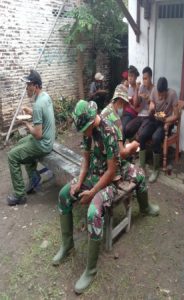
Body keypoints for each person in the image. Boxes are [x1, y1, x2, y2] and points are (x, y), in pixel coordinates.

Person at [52, 100, 120, 294]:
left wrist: (92, 193)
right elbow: (86, 160)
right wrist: (80, 182)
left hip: (109, 182)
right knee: (65, 194)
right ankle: (68, 245)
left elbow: (111, 171)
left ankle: (91, 269)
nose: (84, 132)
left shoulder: (110, 133)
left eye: (85, 128)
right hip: (93, 176)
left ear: (93, 120)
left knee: (93, 213)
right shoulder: (87, 132)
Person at [101, 84, 159, 215]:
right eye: (125, 104)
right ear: (120, 101)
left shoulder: (104, 112)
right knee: (140, 174)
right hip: (109, 166)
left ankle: (133, 191)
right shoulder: (116, 120)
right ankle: (145, 208)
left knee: (129, 158)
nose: (125, 107)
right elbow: (121, 153)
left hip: (101, 160)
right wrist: (132, 147)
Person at [7, 70, 55, 206]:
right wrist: (31, 111)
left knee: (11, 156)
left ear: (35, 86)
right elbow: (41, 114)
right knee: (20, 144)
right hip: (48, 139)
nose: (26, 88)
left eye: (28, 85)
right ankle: (34, 178)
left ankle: (20, 195)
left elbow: (37, 134)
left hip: (43, 143)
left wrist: (26, 123)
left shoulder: (39, 104)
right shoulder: (45, 96)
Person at [138, 77, 180, 183]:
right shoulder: (154, 91)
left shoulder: (172, 94)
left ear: (166, 90)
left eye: (162, 94)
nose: (160, 96)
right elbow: (151, 105)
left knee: (156, 137)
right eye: (159, 94)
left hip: (166, 122)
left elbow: (176, 115)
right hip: (155, 119)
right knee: (142, 135)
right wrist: (151, 108)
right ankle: (142, 166)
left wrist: (166, 120)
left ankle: (156, 169)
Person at [124, 66, 154, 140]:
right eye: (143, 79)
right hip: (140, 115)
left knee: (140, 135)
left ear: (150, 77)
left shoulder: (155, 90)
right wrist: (137, 90)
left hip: (149, 117)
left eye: (146, 79)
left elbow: (155, 108)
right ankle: (131, 145)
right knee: (127, 129)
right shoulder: (142, 88)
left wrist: (149, 100)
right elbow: (136, 103)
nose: (144, 81)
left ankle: (137, 146)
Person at [121, 65, 140, 139]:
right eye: (129, 76)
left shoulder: (138, 88)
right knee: (120, 128)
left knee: (122, 129)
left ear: (136, 77)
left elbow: (136, 105)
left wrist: (136, 90)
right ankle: (122, 147)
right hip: (125, 112)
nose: (130, 78)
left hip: (133, 114)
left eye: (132, 76)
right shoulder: (127, 87)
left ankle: (121, 148)